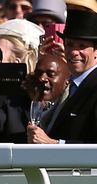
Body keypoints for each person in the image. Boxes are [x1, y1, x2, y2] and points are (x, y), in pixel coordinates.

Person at [31, 9, 97, 143]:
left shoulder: (93, 86)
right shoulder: (68, 84)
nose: (74, 52)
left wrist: (54, 144)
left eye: (82, 46)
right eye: (69, 45)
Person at [26, 52, 70, 144]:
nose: (42, 78)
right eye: (38, 73)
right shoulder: (22, 105)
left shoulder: (73, 109)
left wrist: (52, 143)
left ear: (67, 81)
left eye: (50, 74)